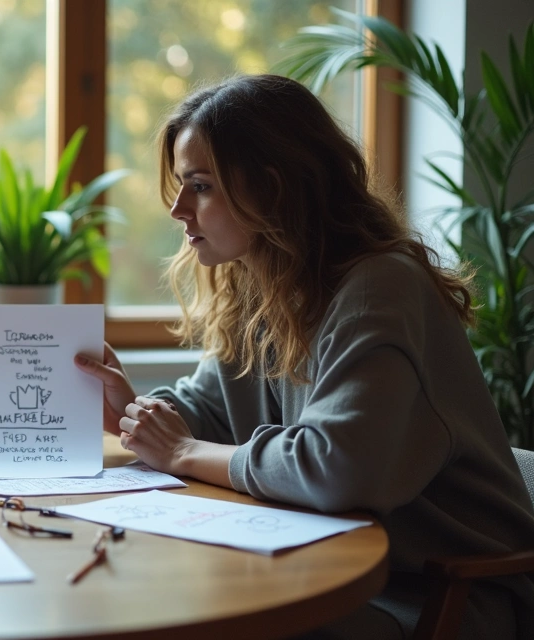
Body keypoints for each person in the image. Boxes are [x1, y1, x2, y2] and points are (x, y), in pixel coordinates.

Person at [75, 74, 534, 639]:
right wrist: (133, 412)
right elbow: (209, 406)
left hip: (438, 595)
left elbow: (337, 469)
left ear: (270, 188)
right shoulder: (261, 286)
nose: (176, 209)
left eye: (200, 186)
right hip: (325, 561)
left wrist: (184, 451)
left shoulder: (379, 287)